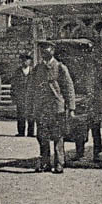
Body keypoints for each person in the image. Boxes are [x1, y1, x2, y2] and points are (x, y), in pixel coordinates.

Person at [28, 41, 75, 174]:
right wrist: (30, 108)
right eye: (42, 50)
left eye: (47, 49)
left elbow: (69, 88)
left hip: (56, 108)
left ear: (53, 50)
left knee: (58, 136)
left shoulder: (60, 67)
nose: (44, 52)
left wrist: (71, 108)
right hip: (41, 109)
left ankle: (59, 163)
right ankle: (45, 163)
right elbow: (31, 90)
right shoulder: (37, 69)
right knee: (42, 137)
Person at [56, 43, 102, 163]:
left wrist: (100, 102)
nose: (84, 54)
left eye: (86, 51)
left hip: (94, 101)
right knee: (80, 129)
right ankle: (80, 153)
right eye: (83, 51)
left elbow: (101, 84)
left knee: (95, 130)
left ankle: (97, 153)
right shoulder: (76, 65)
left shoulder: (96, 65)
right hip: (81, 100)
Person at [10, 53, 35, 137]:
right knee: (21, 115)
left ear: (30, 61)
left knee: (31, 115)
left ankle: (30, 132)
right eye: (23, 60)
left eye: (26, 60)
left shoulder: (33, 71)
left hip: (31, 97)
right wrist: (13, 96)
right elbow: (13, 85)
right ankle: (21, 132)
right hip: (20, 97)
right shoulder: (17, 72)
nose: (24, 62)